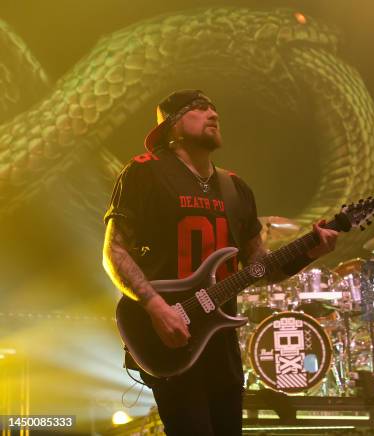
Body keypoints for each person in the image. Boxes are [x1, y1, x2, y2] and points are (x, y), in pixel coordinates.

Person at [102, 89, 339, 435]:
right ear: (172, 126)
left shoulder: (235, 188)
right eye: (199, 109)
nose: (213, 114)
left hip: (221, 346)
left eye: (215, 108)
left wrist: (310, 252)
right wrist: (157, 307)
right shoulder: (143, 173)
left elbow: (260, 268)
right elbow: (115, 251)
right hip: (170, 334)